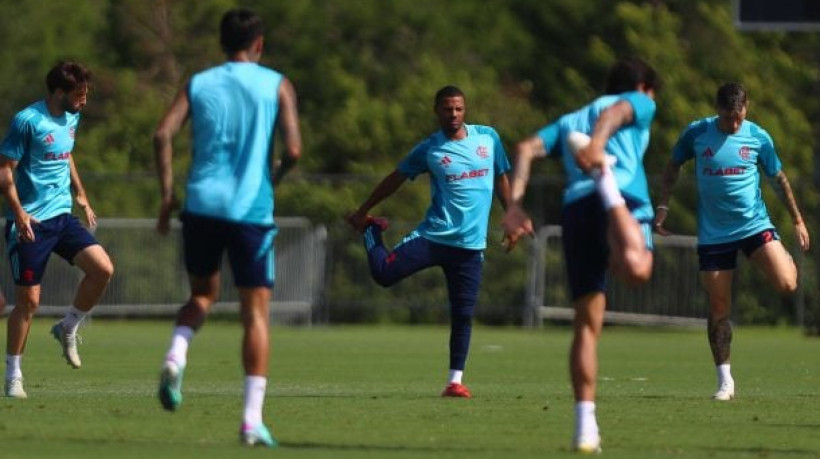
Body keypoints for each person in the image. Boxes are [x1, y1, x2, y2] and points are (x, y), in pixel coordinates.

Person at [153, 8, 301, 448]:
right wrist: (273, 177)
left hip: (200, 205)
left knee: (201, 295)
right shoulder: (276, 84)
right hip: (250, 210)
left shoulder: (199, 82)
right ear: (259, 43)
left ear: (221, 43)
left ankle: (176, 354)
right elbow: (293, 149)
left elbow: (162, 134)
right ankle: (251, 421)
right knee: (254, 314)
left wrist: (167, 196)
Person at [502, 57, 660, 453]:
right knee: (638, 270)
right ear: (644, 87)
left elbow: (525, 148)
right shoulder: (639, 101)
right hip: (619, 197)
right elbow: (616, 111)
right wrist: (598, 144)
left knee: (587, 325)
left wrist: (514, 206)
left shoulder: (570, 119)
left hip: (576, 209)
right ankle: (606, 182)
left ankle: (584, 427)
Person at [346, 85, 513, 399]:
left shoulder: (488, 138)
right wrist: (364, 212)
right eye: (447, 109)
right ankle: (372, 232)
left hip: (470, 247)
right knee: (383, 275)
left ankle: (454, 381)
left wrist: (513, 216)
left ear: (465, 110)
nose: (453, 114)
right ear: (436, 111)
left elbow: (502, 176)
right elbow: (395, 178)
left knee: (463, 313)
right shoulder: (429, 149)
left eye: (459, 109)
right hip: (433, 238)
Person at [653, 82, 810, 402]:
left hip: (754, 225)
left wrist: (796, 219)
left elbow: (778, 179)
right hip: (714, 234)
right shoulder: (696, 134)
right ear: (717, 110)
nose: (734, 124)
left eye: (738, 118)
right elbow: (673, 165)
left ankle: (783, 259)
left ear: (746, 109)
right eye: (728, 119)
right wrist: (663, 205)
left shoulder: (758, 137)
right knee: (718, 306)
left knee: (786, 284)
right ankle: (725, 381)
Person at [0, 62, 114, 399]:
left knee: (103, 269)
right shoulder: (28, 121)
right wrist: (18, 213)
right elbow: (5, 171)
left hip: (62, 217)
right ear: (58, 93)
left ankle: (68, 326)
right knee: (29, 301)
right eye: (79, 95)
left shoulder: (73, 116)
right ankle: (13, 374)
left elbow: (66, 155)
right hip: (31, 222)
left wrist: (81, 193)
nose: (84, 101)